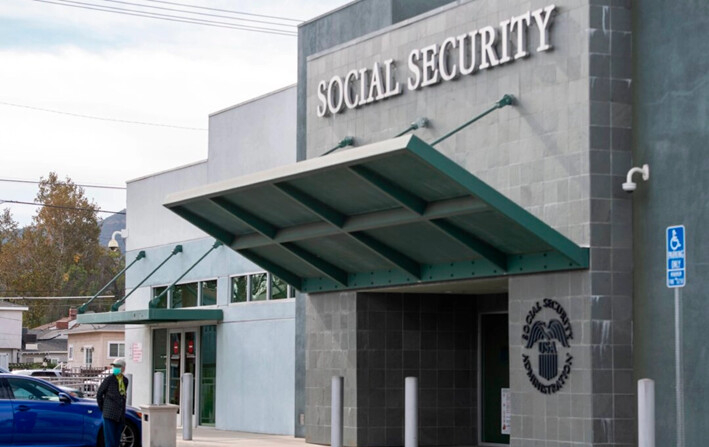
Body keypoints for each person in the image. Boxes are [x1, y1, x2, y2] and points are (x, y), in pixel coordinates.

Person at [97, 358, 129, 447]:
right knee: (110, 441)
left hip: (120, 414)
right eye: (113, 366)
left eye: (117, 366)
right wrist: (103, 408)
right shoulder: (109, 379)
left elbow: (122, 396)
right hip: (109, 414)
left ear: (123, 368)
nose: (114, 368)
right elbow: (99, 394)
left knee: (117, 441)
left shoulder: (125, 380)